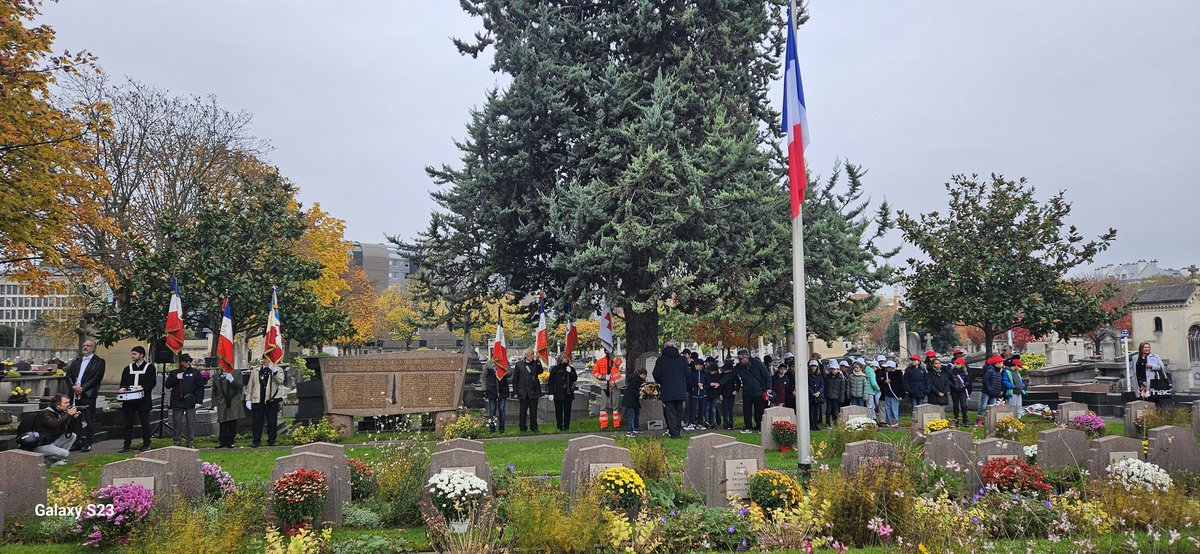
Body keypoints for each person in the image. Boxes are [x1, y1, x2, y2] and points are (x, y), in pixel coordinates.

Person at [65, 339, 105, 452]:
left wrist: (83, 388)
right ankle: (76, 442)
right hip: (74, 393)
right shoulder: (77, 360)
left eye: (88, 346)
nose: (85, 347)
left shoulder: (99, 361)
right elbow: (68, 375)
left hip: (88, 393)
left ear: (93, 348)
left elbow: (96, 378)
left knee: (88, 419)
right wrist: (73, 386)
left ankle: (87, 442)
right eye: (84, 345)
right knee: (75, 418)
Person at [117, 346, 156, 453]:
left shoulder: (150, 368)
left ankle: (146, 443)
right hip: (129, 400)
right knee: (128, 423)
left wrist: (143, 387)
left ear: (141, 355)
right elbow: (123, 382)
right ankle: (126, 445)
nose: (132, 356)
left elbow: (152, 382)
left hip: (143, 399)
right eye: (132, 354)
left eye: (134, 354)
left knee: (145, 422)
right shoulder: (127, 368)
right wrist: (123, 387)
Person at [164, 353, 207, 448]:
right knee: (177, 422)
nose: (188, 363)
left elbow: (200, 387)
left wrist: (199, 401)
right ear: (181, 362)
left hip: (190, 400)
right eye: (186, 361)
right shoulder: (174, 373)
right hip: (177, 401)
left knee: (191, 423)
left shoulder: (195, 372)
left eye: (189, 361)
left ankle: (190, 442)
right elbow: (167, 385)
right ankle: (177, 442)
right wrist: (176, 378)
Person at [32, 394, 82, 466]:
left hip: (51, 441)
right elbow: (55, 424)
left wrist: (72, 418)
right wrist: (68, 415)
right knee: (65, 453)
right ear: (58, 405)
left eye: (69, 402)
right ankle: (47, 461)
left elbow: (68, 431)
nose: (69, 405)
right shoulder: (45, 414)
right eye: (66, 403)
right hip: (41, 445)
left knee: (72, 436)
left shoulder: (60, 413)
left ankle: (58, 459)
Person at [652, 341, 688, 438]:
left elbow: (656, 374)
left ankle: (673, 432)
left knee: (670, 412)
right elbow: (687, 374)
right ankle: (677, 430)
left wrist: (662, 381)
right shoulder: (682, 360)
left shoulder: (661, 360)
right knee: (679, 412)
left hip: (667, 390)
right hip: (680, 389)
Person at [246, 359, 284, 447]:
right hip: (258, 398)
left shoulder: (278, 369)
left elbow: (280, 381)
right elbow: (250, 385)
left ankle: (271, 440)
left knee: (271, 421)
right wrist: (248, 398)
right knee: (257, 421)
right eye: (266, 359)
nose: (267, 361)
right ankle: (256, 440)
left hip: (271, 398)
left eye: (270, 359)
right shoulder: (256, 370)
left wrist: (274, 371)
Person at [733, 350, 771, 433]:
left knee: (759, 410)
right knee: (746, 410)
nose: (740, 361)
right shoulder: (739, 367)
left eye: (741, 358)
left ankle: (760, 426)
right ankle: (748, 427)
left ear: (746, 357)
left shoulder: (757, 363)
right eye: (739, 359)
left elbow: (766, 375)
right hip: (747, 391)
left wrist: (768, 388)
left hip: (758, 391)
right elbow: (731, 374)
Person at [211, 365, 245, 449]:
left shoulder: (236, 373)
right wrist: (214, 404)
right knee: (222, 422)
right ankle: (222, 441)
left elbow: (239, 386)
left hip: (233, 400)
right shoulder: (216, 376)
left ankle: (230, 441)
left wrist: (231, 380)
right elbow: (214, 391)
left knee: (232, 422)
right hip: (221, 401)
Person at [511, 348, 543, 433]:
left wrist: (538, 360)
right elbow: (515, 379)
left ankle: (534, 427)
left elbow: (540, 371)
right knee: (523, 412)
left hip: (534, 391)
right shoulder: (519, 364)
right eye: (530, 354)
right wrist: (515, 392)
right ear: (526, 355)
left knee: (533, 411)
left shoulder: (536, 363)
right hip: (523, 392)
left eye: (533, 354)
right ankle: (522, 428)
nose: (532, 356)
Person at [547, 353, 578, 432]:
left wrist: (571, 372)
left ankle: (567, 426)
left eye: (567, 357)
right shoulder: (555, 369)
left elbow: (574, 379)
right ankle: (559, 426)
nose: (565, 359)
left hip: (568, 392)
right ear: (560, 359)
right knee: (558, 411)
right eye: (564, 357)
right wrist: (551, 393)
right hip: (558, 393)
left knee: (567, 411)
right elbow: (551, 382)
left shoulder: (571, 368)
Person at [592, 354, 623, 429]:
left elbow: (619, 361)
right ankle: (603, 423)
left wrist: (613, 357)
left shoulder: (614, 360)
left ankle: (617, 423)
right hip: (605, 387)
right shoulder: (600, 362)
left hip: (615, 386)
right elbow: (595, 373)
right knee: (604, 405)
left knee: (616, 405)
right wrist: (603, 376)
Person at [483, 362, 510, 434]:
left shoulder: (505, 362)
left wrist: (503, 371)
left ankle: (502, 429)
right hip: (491, 389)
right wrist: (484, 389)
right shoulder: (488, 364)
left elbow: (509, 373)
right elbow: (484, 377)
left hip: (502, 389)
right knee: (492, 410)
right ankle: (492, 428)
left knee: (501, 409)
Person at [878, 360, 905, 428]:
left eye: (887, 367)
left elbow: (900, 385)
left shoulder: (898, 375)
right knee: (888, 408)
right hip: (887, 394)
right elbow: (881, 384)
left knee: (894, 408)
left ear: (891, 367)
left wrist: (901, 395)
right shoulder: (885, 374)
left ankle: (895, 421)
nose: (886, 368)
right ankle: (889, 421)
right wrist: (884, 382)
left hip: (894, 394)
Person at [979, 355, 1005, 423]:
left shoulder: (999, 372)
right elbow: (985, 380)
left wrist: (1001, 390)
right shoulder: (990, 370)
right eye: (1001, 363)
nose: (1003, 364)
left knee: (993, 407)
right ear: (997, 363)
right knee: (983, 406)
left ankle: (990, 421)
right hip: (987, 392)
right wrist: (989, 389)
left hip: (994, 392)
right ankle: (979, 421)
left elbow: (1000, 381)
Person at [622, 367, 646, 437]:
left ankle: (635, 427)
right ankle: (629, 431)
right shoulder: (637, 380)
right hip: (631, 400)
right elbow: (634, 390)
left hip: (632, 400)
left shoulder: (635, 379)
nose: (645, 377)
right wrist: (640, 395)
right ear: (643, 374)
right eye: (645, 375)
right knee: (631, 415)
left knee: (636, 413)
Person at [686, 359, 709, 430]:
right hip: (694, 393)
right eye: (695, 365)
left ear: (701, 366)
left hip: (703, 394)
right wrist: (696, 384)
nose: (695, 366)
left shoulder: (705, 373)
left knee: (702, 409)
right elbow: (689, 382)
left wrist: (703, 387)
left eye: (697, 365)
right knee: (693, 409)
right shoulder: (692, 373)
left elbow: (707, 383)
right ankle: (691, 423)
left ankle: (700, 423)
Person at [823, 360, 847, 427]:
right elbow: (825, 386)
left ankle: (835, 422)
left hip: (837, 396)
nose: (834, 370)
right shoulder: (827, 377)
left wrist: (841, 398)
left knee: (835, 410)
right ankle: (828, 423)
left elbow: (842, 389)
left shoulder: (840, 378)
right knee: (828, 410)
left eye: (835, 369)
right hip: (829, 396)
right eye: (832, 369)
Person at [717, 359, 739, 430]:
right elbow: (720, 385)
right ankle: (725, 423)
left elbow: (738, 383)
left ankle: (731, 423)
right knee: (724, 409)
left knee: (730, 409)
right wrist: (720, 394)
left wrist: (736, 390)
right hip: (724, 394)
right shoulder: (722, 375)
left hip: (731, 393)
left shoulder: (734, 375)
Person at [948, 357, 971, 425]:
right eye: (956, 363)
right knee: (955, 405)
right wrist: (953, 386)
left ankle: (965, 420)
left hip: (962, 390)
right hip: (954, 390)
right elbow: (949, 381)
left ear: (962, 364)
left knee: (964, 405)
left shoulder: (965, 372)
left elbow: (968, 381)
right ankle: (956, 419)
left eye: (958, 363)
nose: (956, 364)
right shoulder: (951, 371)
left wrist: (964, 386)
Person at [807, 360, 824, 431]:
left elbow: (822, 384)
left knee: (816, 411)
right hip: (811, 395)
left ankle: (816, 424)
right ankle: (811, 424)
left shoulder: (819, 375)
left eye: (815, 366)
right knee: (811, 411)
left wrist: (819, 392)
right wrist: (812, 392)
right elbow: (807, 385)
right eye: (812, 366)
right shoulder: (807, 374)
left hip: (818, 395)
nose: (813, 367)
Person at [704, 360, 721, 428]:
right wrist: (710, 384)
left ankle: (713, 422)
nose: (711, 372)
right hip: (708, 394)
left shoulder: (718, 376)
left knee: (713, 409)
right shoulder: (707, 375)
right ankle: (707, 422)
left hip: (714, 394)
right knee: (707, 408)